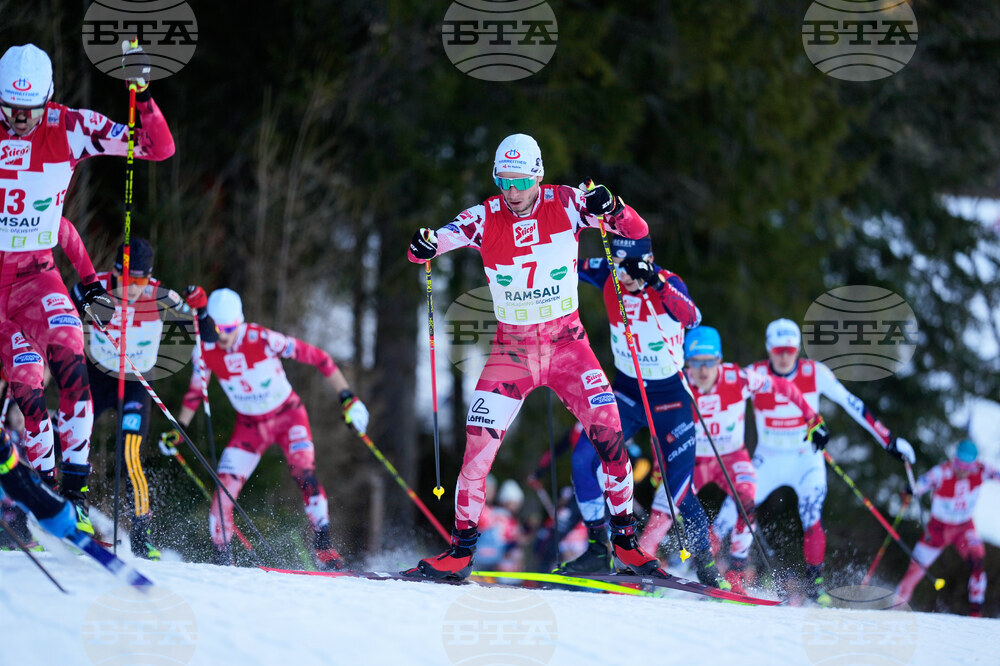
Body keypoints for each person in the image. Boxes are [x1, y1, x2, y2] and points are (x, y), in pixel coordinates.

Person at [405, 133, 658, 580]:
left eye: (521, 181)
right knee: (477, 450)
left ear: (538, 174)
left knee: (611, 440)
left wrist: (612, 206)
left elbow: (636, 231)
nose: (513, 193)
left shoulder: (567, 203)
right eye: (504, 181)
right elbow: (426, 246)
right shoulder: (483, 217)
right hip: (513, 352)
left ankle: (624, 542)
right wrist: (425, 244)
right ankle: (461, 551)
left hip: (568, 347)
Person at [0, 42, 174, 534]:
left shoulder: (69, 127)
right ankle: (41, 491)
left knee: (72, 359)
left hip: (37, 277)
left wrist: (141, 92)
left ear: (47, 99)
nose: (18, 120)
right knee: (29, 389)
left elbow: (156, 148)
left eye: (29, 110)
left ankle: (72, 495)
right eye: (9, 109)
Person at [555, 236, 731, 589]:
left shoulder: (668, 282)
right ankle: (596, 548)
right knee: (583, 461)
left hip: (670, 398)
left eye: (633, 268)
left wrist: (655, 281)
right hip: (626, 393)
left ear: (648, 261)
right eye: (619, 267)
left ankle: (707, 567)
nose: (625, 276)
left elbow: (692, 317)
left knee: (679, 489)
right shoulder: (608, 273)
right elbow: (560, 269)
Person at [162, 288, 370, 568]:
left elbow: (319, 358)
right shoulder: (205, 348)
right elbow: (196, 390)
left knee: (304, 473)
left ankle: (325, 549)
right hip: (250, 427)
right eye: (217, 327)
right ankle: (222, 561)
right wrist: (180, 428)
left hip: (288, 417)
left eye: (229, 327)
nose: (223, 335)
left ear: (239, 322)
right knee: (223, 492)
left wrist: (348, 397)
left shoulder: (261, 338)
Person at [714, 318, 916, 604]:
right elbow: (719, 397)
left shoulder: (815, 373)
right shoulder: (754, 373)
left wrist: (888, 440)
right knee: (729, 512)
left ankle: (813, 587)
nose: (784, 357)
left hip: (805, 460)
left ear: (797, 349)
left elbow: (851, 403)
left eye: (790, 350)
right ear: (769, 349)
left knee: (812, 516)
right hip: (767, 459)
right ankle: (699, 567)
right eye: (778, 350)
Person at [638, 326, 826, 594]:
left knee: (748, 497)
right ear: (686, 362)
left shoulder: (738, 378)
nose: (703, 371)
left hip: (730, 458)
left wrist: (811, 417)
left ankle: (736, 573)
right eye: (696, 363)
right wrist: (658, 463)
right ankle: (642, 566)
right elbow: (659, 430)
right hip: (691, 460)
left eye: (709, 363)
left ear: (719, 360)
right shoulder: (677, 384)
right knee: (663, 506)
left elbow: (783, 386)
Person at [70, 238, 214, 560]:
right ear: (116, 271)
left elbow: (210, 336)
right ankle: (69, 508)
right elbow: (61, 309)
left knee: (131, 455)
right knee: (75, 439)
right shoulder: (98, 286)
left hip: (136, 382)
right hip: (99, 376)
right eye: (127, 278)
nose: (133, 287)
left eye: (141, 280)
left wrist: (201, 309)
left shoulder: (163, 297)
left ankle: (140, 534)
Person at [895, 439, 999, 617]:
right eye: (959, 464)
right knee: (915, 570)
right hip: (938, 529)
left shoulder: (981, 471)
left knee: (977, 562)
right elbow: (920, 484)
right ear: (955, 459)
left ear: (974, 464)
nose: (962, 470)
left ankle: (976, 615)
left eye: (967, 466)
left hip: (963, 528)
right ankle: (893, 609)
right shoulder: (942, 472)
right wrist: (910, 491)